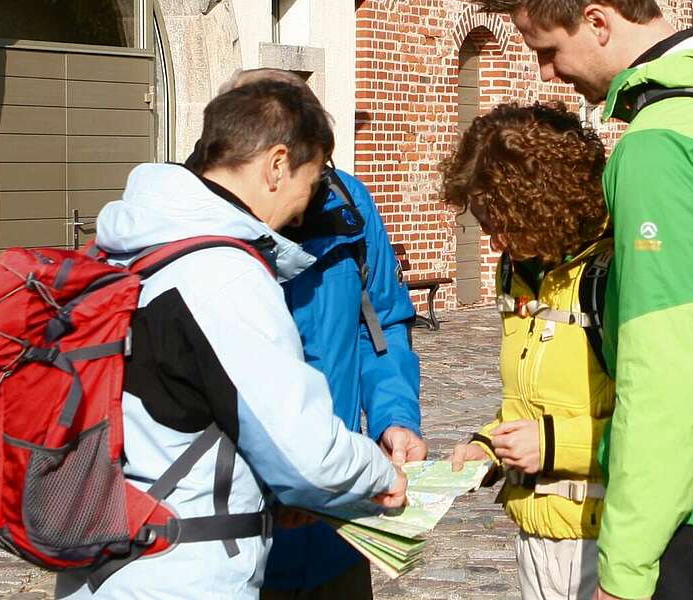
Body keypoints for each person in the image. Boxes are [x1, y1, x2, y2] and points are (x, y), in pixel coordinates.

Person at [476, 1, 693, 598]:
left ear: (598, 20)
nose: (548, 76)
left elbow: (666, 374)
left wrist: (626, 570)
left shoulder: (663, 141)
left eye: (548, 51)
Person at [55, 80, 407, 599]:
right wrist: (381, 476)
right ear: (277, 165)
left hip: (107, 555)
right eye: (309, 185)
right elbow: (303, 450)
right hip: (181, 568)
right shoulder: (224, 272)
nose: (302, 211)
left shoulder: (125, 246)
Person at [195, 69, 429, 600]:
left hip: (336, 533)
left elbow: (382, 325)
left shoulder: (348, 205)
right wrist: (282, 478)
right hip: (236, 540)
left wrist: (395, 417)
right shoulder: (199, 235)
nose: (314, 186)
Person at [441, 101, 613, 600]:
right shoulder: (519, 271)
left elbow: (665, 426)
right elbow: (535, 403)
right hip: (536, 537)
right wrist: (489, 446)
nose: (495, 240)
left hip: (607, 543)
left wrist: (554, 447)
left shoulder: (613, 275)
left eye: (500, 221)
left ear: (545, 202)